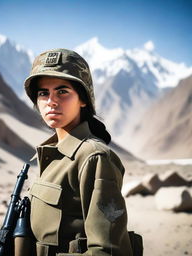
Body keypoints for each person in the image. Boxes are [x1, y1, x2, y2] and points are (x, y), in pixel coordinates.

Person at [23, 48, 134, 256]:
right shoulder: (53, 154)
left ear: (83, 99)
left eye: (62, 91)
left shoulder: (94, 157)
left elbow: (106, 250)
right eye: (43, 93)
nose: (51, 101)